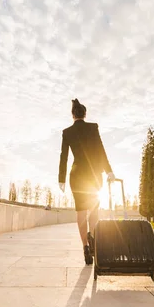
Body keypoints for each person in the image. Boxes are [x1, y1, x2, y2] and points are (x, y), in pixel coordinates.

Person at [58, 98, 114, 265]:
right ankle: (93, 240)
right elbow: (100, 150)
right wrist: (109, 170)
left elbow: (64, 157)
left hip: (76, 176)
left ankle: (85, 246)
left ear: (72, 115)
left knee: (81, 212)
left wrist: (61, 179)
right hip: (94, 175)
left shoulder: (67, 132)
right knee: (94, 210)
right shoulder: (93, 127)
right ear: (85, 114)